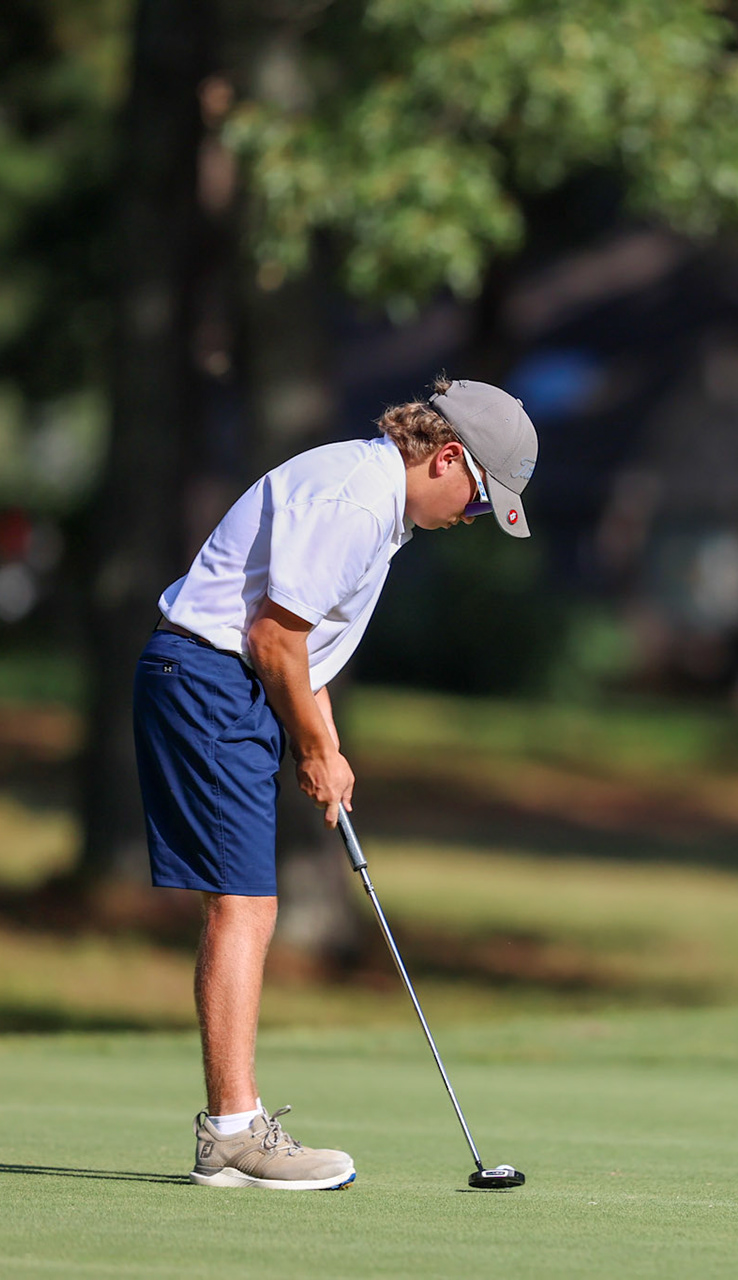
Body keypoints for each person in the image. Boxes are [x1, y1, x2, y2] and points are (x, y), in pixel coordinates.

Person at [133, 377, 537, 1189]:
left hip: (226, 679)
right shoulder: (357, 502)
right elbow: (273, 639)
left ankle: (233, 1129)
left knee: (247, 903)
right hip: (211, 678)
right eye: (477, 498)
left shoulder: (378, 502)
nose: (472, 516)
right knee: (243, 904)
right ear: (447, 457)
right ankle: (233, 1135)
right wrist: (315, 750)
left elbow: (300, 643)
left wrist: (327, 744)